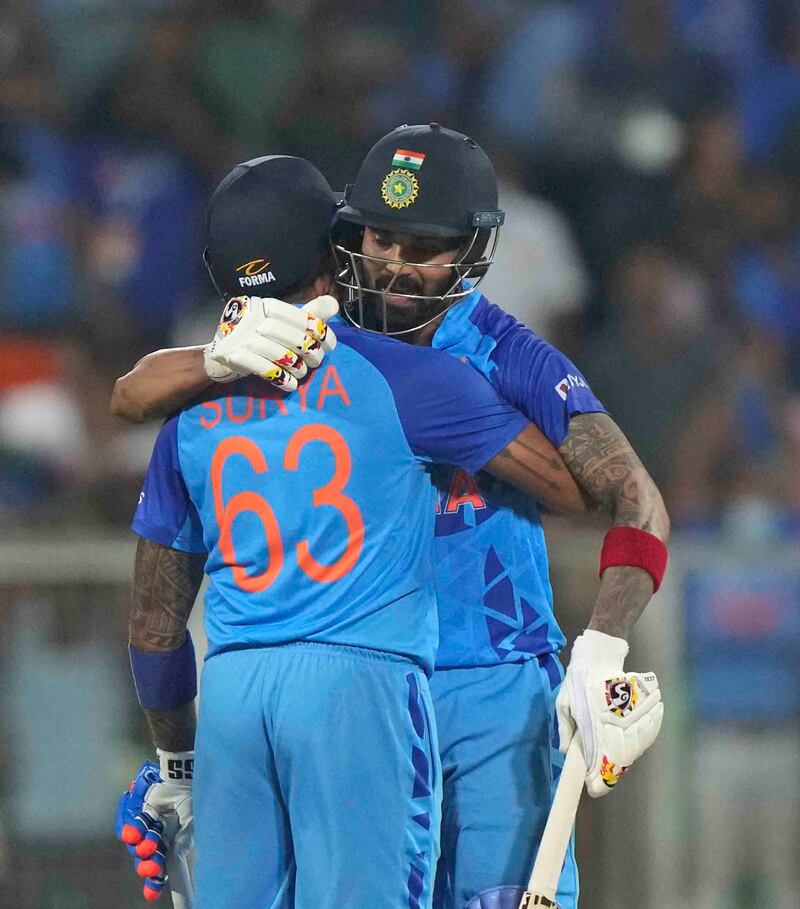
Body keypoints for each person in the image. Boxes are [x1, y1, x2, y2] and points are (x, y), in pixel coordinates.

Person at [114, 131, 668, 909]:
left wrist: (601, 650)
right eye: (384, 236)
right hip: (364, 694)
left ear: (471, 251)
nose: (400, 264)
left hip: (490, 689)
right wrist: (185, 766)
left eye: (428, 246)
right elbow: (139, 398)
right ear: (346, 238)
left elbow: (633, 496)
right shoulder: (295, 348)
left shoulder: (504, 352)